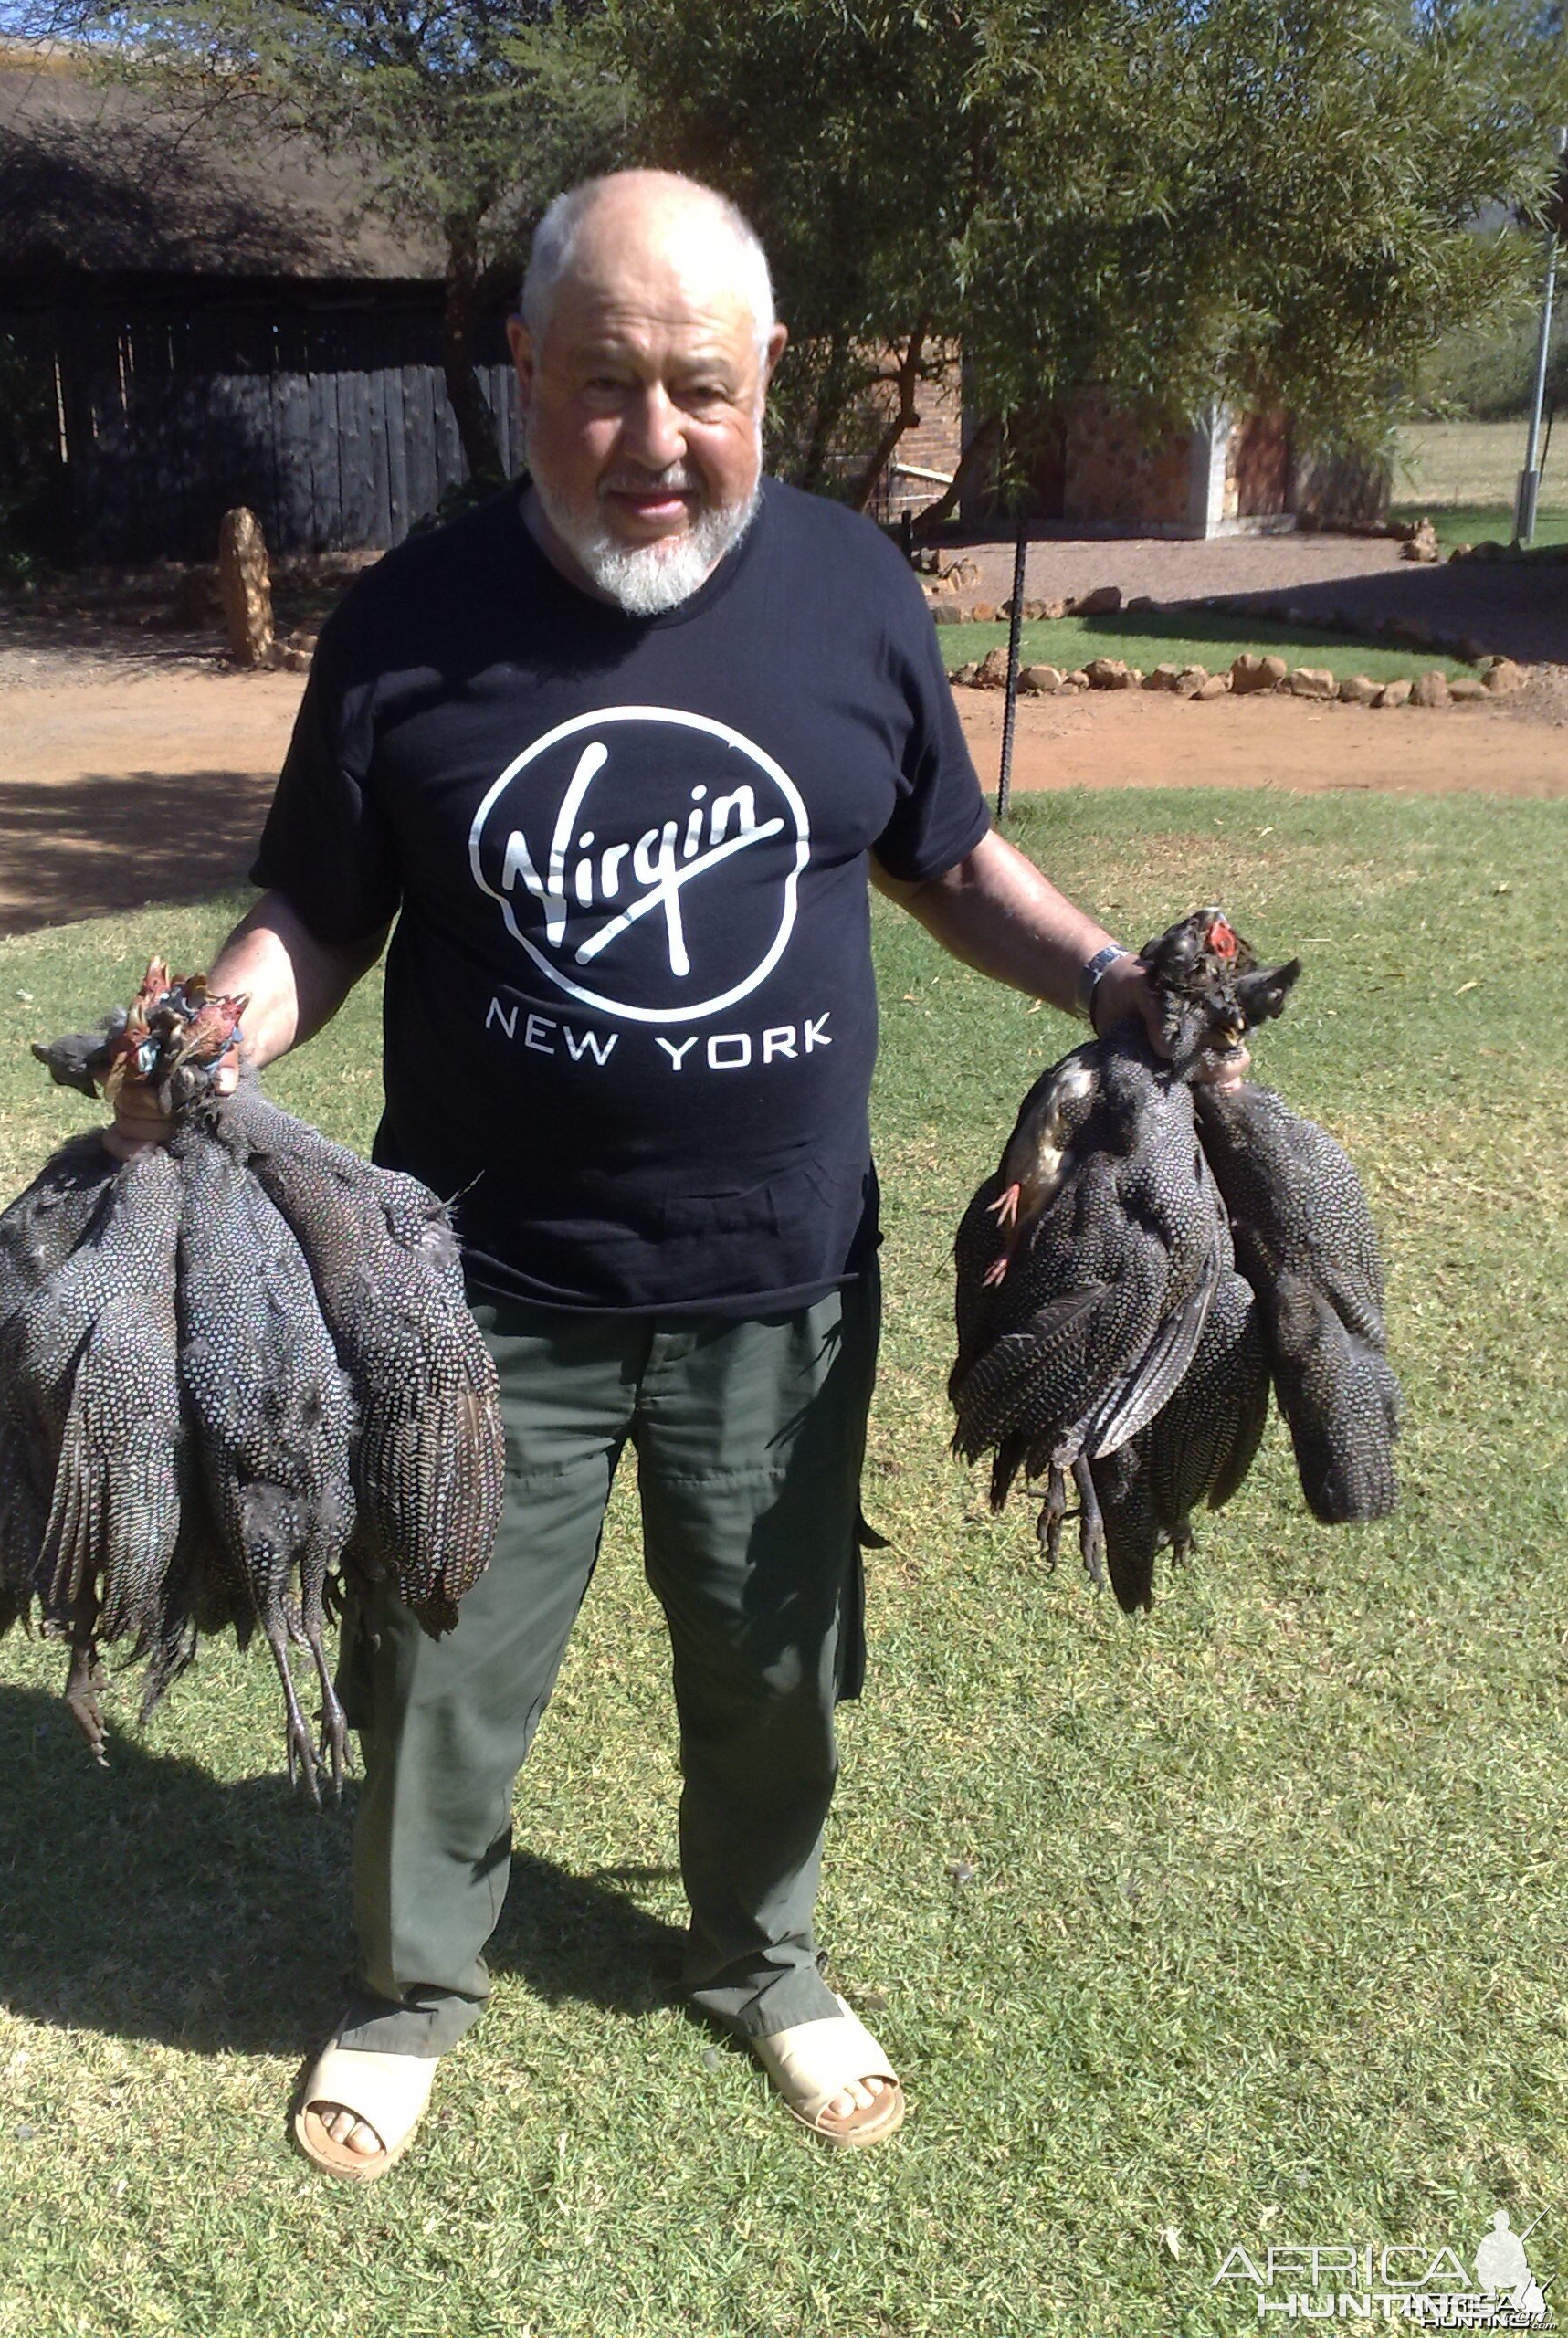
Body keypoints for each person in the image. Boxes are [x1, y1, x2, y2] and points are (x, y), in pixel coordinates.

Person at [109, 167, 1241, 2177]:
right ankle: (409, 1988)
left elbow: (946, 860)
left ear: (770, 375)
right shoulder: (408, 624)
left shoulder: (854, 596)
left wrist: (1106, 976)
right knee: (436, 1655)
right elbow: (317, 910)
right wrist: (212, 1032)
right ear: (525, 366)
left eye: (700, 391)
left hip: (776, 1277)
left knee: (774, 1659)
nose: (654, 444)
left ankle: (768, 1960)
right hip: (469, 1283)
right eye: (606, 386)